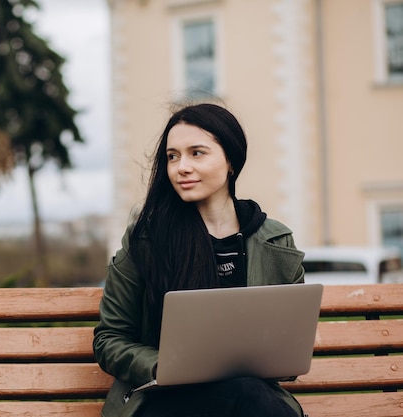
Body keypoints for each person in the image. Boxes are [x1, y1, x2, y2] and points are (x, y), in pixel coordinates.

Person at [93, 103, 306, 417]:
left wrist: (292, 341)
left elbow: (284, 359)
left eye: (197, 153)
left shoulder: (275, 241)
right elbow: (110, 339)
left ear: (231, 161)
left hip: (248, 396)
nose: (181, 167)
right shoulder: (146, 239)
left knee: (246, 392)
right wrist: (165, 367)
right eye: (173, 156)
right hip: (161, 399)